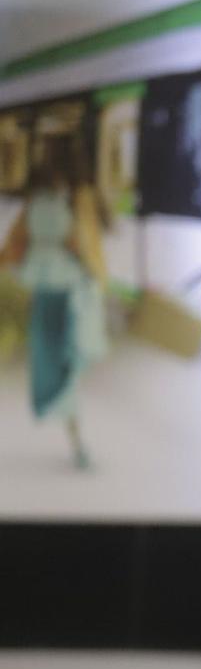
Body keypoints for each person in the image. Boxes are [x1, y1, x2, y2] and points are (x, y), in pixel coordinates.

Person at [1, 141, 108, 468]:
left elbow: (16, 247)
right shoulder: (76, 201)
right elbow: (84, 248)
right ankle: (76, 443)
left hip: (44, 289)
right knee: (66, 365)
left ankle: (76, 441)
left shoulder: (37, 204)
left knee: (58, 364)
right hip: (66, 291)